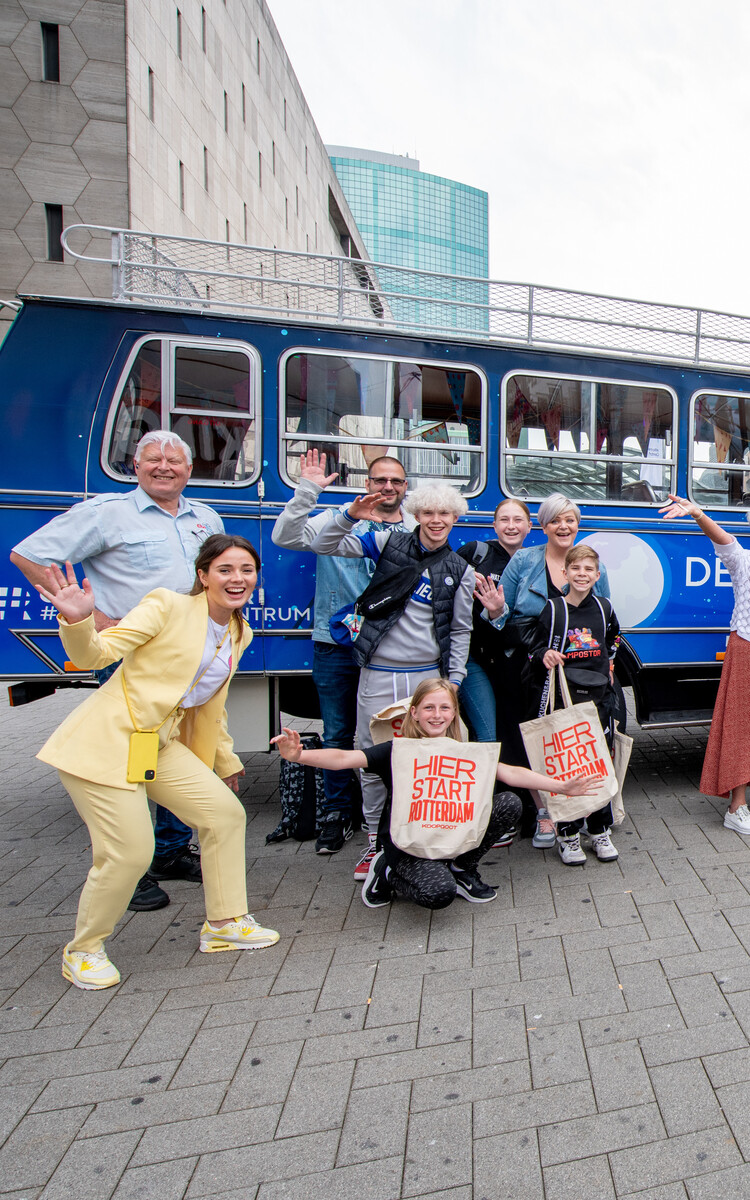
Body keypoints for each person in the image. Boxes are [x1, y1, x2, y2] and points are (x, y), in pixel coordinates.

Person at [35, 534, 279, 991]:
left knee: (224, 816)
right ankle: (83, 950)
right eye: (225, 569)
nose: (237, 578)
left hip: (157, 744)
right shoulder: (167, 605)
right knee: (129, 852)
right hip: (104, 743)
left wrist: (224, 761)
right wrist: (79, 619)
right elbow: (95, 655)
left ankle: (224, 924)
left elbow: (211, 705)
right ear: (203, 576)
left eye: (246, 570)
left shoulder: (237, 630)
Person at [10, 430, 225, 910]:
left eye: (175, 460)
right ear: (136, 465)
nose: (164, 467)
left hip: (189, 656)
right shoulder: (107, 512)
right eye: (154, 459)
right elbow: (27, 553)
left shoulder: (204, 517)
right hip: (130, 655)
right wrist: (94, 618)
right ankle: (127, 867)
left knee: (179, 752)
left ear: (189, 470)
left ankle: (169, 852)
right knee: (127, 761)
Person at [272, 679, 601, 909]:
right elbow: (346, 758)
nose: (437, 714)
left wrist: (560, 787)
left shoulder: (462, 749)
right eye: (428, 707)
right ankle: (385, 871)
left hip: (451, 835)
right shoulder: (398, 750)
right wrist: (299, 756)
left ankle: (460, 868)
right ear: (413, 713)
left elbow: (509, 773)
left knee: (509, 803)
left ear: (454, 713)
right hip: (407, 845)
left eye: (445, 707)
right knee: (437, 894)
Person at [306, 481, 475, 881]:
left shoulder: (461, 570)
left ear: (455, 518)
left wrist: (453, 680)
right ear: (417, 514)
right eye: (429, 513)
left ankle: (421, 838)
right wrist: (349, 516)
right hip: (378, 673)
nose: (436, 521)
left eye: (445, 514)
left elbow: (462, 629)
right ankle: (375, 843)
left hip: (426, 679)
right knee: (371, 759)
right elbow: (323, 546)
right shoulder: (385, 542)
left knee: (428, 763)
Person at [271, 450, 416, 856]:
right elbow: (284, 537)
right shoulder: (338, 517)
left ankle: (392, 811)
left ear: (405, 488)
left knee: (391, 733)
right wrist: (308, 491)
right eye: (379, 480)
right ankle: (336, 814)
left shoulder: (415, 527)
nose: (387, 487)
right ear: (367, 484)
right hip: (338, 645)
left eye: (396, 482)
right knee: (338, 731)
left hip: (392, 649)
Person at [484, 494, 611, 850]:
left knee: (572, 742)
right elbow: (499, 615)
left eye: (570, 519)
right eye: (555, 520)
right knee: (535, 738)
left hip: (578, 672)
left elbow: (605, 619)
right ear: (544, 525)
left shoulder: (588, 562)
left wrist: (609, 663)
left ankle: (587, 811)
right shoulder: (525, 559)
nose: (563, 526)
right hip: (526, 662)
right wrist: (495, 611)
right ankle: (544, 811)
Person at [660, 494, 750, 833]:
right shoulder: (745, 561)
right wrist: (698, 514)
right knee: (742, 728)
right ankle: (736, 807)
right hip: (747, 648)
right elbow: (724, 541)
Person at [528, 543, 621, 864]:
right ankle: (567, 834)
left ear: (597, 575)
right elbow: (534, 648)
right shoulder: (554, 610)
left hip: (599, 702)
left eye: (588, 570)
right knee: (568, 765)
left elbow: (614, 639)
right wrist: (545, 655)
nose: (582, 575)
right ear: (564, 573)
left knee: (598, 763)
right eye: (576, 569)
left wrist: (609, 665)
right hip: (564, 702)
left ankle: (599, 830)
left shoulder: (604, 608)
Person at [457, 498, 532, 741]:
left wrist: (497, 612)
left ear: (529, 526)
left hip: (513, 662)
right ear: (494, 525)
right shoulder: (475, 553)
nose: (511, 526)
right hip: (475, 659)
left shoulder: (533, 563)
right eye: (504, 520)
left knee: (514, 731)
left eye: (518, 520)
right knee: (487, 734)